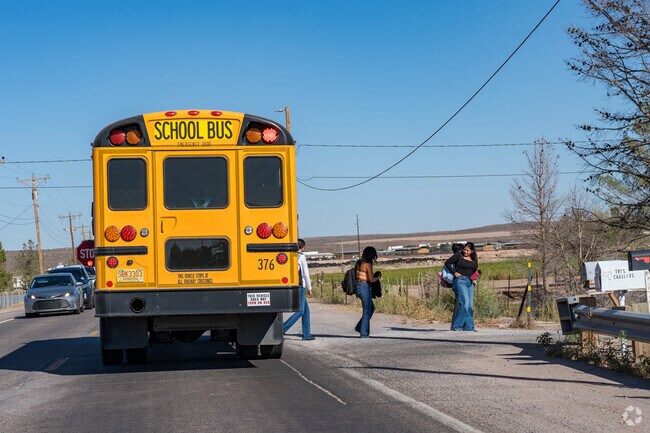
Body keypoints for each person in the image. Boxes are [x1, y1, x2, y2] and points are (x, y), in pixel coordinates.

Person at [283, 239, 315, 340]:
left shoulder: (290, 256)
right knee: (301, 310)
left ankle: (306, 335)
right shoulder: (301, 257)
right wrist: (310, 288)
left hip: (293, 284)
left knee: (306, 311)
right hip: (301, 285)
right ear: (302, 247)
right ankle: (283, 328)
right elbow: (305, 274)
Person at [445, 242, 478, 331]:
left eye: (468, 250)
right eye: (464, 249)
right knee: (465, 304)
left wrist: (475, 278)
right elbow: (447, 263)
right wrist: (454, 272)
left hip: (470, 282)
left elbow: (473, 271)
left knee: (470, 306)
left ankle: (469, 327)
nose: (465, 252)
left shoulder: (473, 259)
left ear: (472, 251)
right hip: (460, 281)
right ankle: (456, 326)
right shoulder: (459, 255)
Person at [354, 246, 381, 338]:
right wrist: (378, 277)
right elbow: (371, 279)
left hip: (357, 286)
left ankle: (360, 327)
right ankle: (364, 334)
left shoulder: (359, 263)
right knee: (367, 311)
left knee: (371, 308)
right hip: (364, 287)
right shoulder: (368, 264)